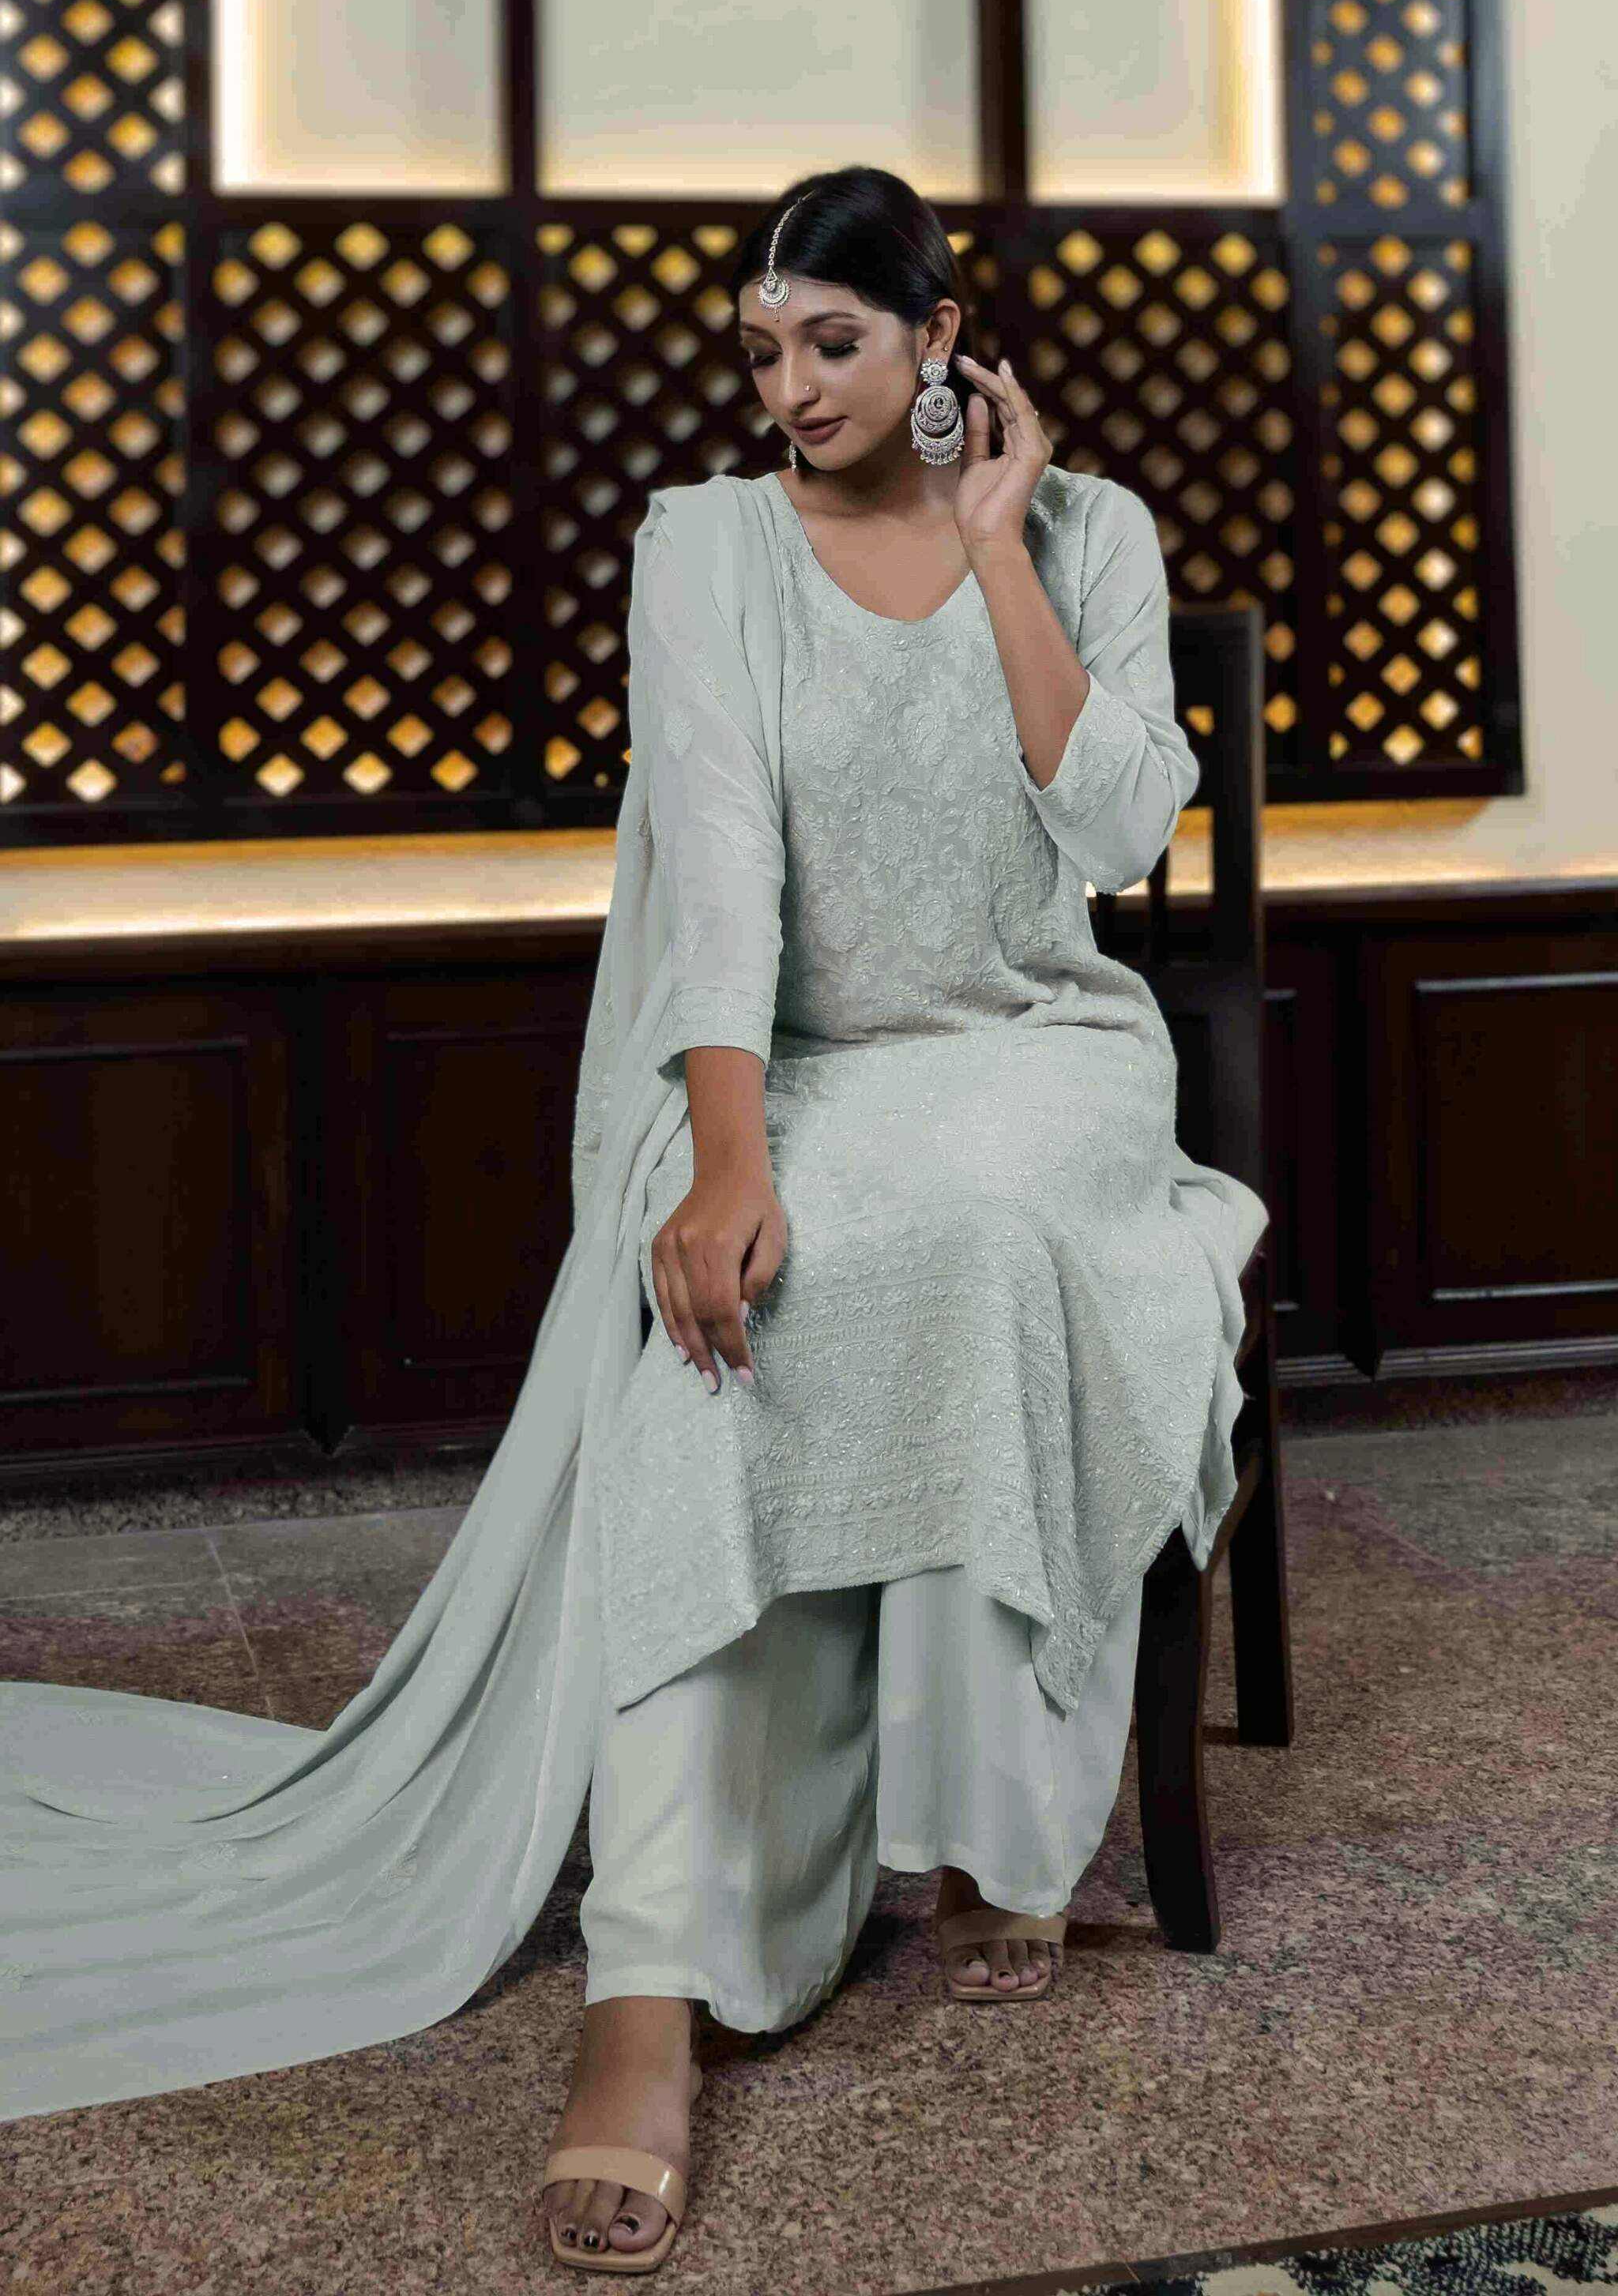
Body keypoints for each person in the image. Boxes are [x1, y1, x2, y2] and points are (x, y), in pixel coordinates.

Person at [0, 166, 1266, 2281]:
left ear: (941, 338)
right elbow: (720, 857)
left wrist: (994, 547)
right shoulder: (707, 547)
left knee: (989, 1232)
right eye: (764, 353)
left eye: (835, 344)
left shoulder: (1089, 529)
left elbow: (1122, 827)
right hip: (797, 1061)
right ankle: (651, 1978)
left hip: (1043, 1050)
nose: (794, 391)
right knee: (719, 1309)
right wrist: (730, 1157)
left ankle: (993, 1825)